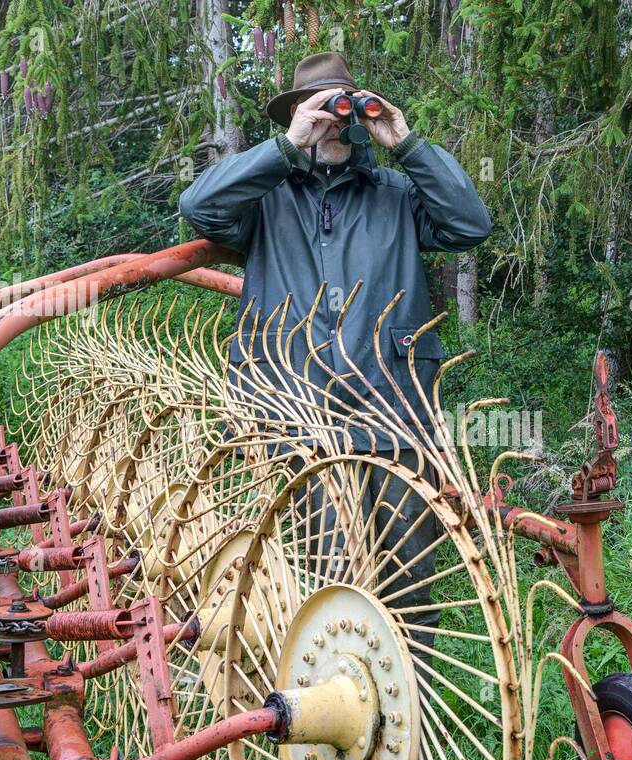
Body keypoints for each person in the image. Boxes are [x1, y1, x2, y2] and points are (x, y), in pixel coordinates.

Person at [178, 51, 492, 658]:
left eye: (338, 107)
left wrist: (406, 143)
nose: (329, 122)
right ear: (295, 117)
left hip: (394, 409)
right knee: (326, 573)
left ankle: (409, 705)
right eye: (313, 110)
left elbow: (470, 224)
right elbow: (199, 208)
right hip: (300, 414)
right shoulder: (266, 199)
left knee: (407, 574)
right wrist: (286, 148)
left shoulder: (397, 191)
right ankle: (333, 707)